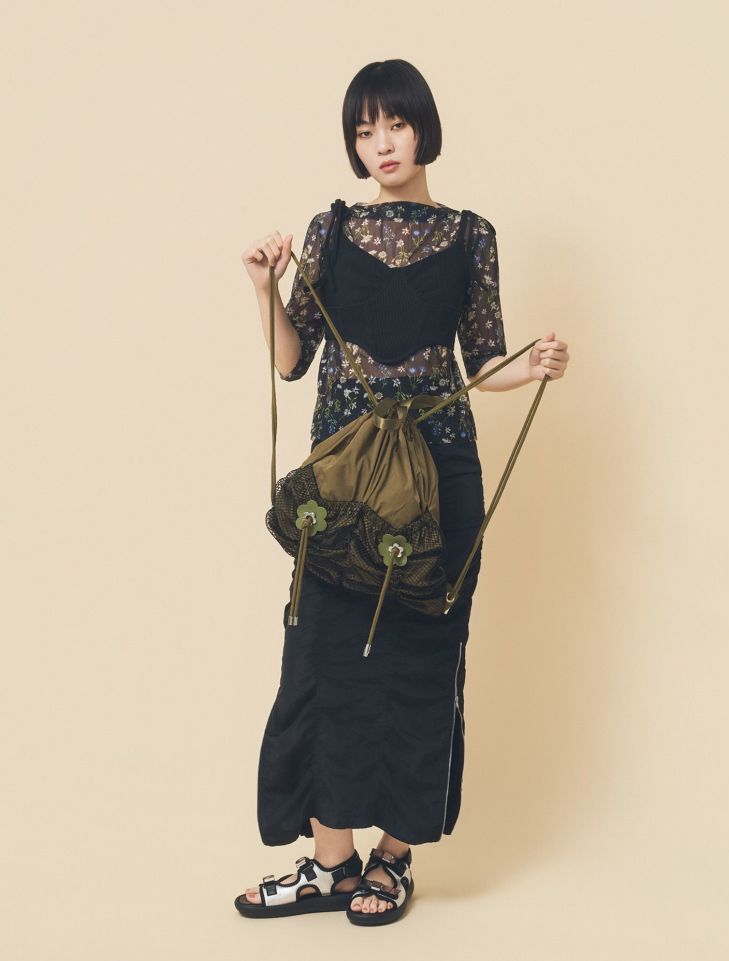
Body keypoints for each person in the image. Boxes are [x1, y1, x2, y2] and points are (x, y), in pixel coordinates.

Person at [235, 59, 569, 925]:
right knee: (320, 657)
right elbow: (291, 360)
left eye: (394, 124)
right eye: (364, 131)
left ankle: (393, 858)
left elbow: (483, 359)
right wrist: (263, 288)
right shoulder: (332, 229)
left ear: (423, 129)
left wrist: (531, 365)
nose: (380, 144)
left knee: (422, 660)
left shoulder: (471, 235)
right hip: (343, 482)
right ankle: (330, 863)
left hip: (439, 474)